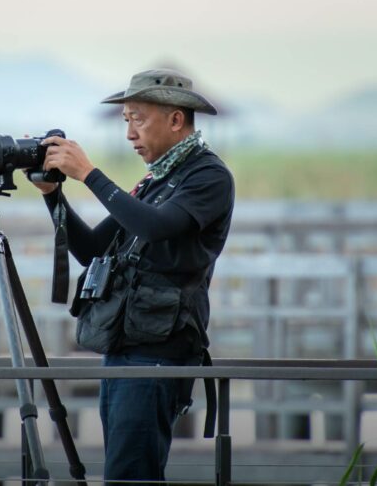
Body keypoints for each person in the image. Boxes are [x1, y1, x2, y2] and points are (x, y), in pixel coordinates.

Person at [31, 67, 235, 483]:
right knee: (125, 473)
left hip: (159, 353)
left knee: (130, 476)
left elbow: (156, 227)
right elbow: (90, 250)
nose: (129, 134)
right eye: (126, 121)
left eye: (138, 119)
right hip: (124, 345)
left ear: (176, 119)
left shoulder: (208, 176)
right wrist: (54, 198)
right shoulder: (158, 180)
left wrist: (89, 174)